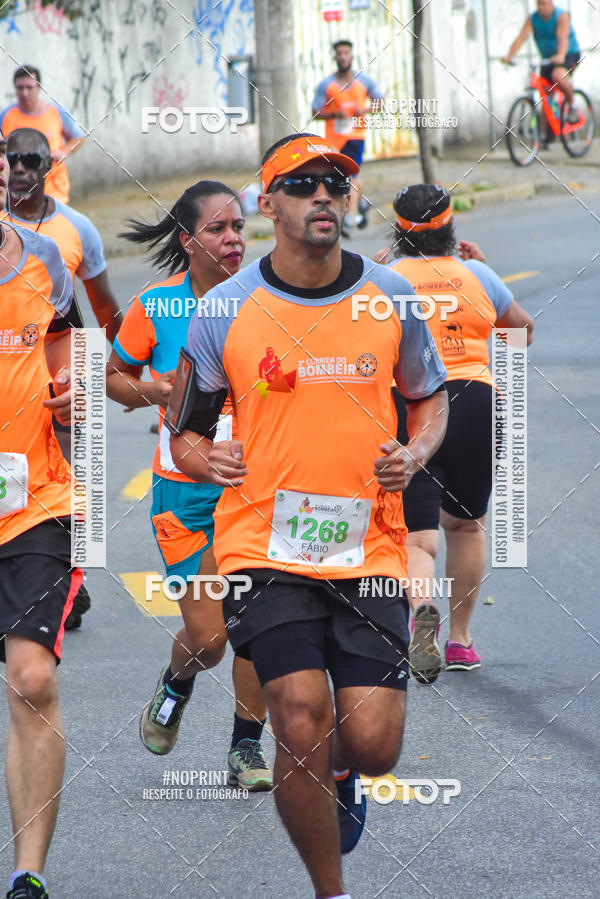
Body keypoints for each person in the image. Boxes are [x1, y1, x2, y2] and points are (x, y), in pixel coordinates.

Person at [169, 133, 448, 899]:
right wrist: (204, 459)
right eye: (302, 184)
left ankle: (346, 767)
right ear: (270, 205)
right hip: (264, 542)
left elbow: (430, 395)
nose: (323, 193)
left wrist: (417, 450)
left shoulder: (390, 295)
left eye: (335, 181)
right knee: (296, 716)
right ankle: (332, 891)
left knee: (375, 740)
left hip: (370, 546)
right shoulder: (225, 308)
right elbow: (185, 427)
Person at [106, 181, 272, 790]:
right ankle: (178, 681)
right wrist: (161, 390)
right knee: (211, 639)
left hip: (252, 491)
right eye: (218, 229)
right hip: (183, 490)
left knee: (254, 623)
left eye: (238, 227)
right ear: (188, 239)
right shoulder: (158, 305)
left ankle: (246, 748)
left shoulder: (264, 301)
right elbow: (114, 378)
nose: (234, 239)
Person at [378, 183, 533, 685]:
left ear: (398, 233)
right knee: (466, 526)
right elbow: (520, 331)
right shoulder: (478, 273)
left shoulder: (383, 278)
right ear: (450, 229)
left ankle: (422, 607)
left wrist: (375, 272)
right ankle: (461, 640)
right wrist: (482, 285)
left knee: (417, 538)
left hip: (413, 402)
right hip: (476, 402)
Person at [0, 130, 82, 899]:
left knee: (31, 678)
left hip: (32, 501)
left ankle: (28, 872)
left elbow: (66, 349)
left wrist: (71, 394)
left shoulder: (43, 259)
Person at [4, 126, 122, 631]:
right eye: (18, 158)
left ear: (48, 165)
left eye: (33, 159)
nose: (24, 168)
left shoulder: (75, 232)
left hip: (52, 388)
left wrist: (98, 377)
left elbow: (97, 310)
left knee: (78, 474)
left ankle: (73, 573)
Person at [312, 40, 382, 237]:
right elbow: (315, 112)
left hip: (355, 137)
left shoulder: (364, 81)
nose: (343, 56)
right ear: (335, 56)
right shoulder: (327, 85)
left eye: (346, 53)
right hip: (334, 139)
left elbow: (381, 104)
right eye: (339, 53)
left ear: (351, 55)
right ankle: (361, 205)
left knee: (349, 177)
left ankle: (349, 219)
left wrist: (365, 109)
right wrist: (334, 115)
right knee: (342, 178)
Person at [0, 65, 85, 205]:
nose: (24, 93)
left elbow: (79, 138)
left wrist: (64, 151)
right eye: (20, 88)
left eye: (29, 87)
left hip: (54, 192)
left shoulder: (56, 112)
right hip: (19, 193)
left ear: (39, 87)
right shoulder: (5, 116)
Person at [503, 0, 580, 124]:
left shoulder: (561, 16)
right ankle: (544, 136)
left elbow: (562, 37)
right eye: (538, 4)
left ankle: (572, 106)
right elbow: (521, 37)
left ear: (551, 4)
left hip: (568, 54)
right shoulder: (533, 19)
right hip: (548, 59)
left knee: (558, 76)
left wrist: (560, 55)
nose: (540, 7)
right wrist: (509, 56)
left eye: (543, 4)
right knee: (545, 95)